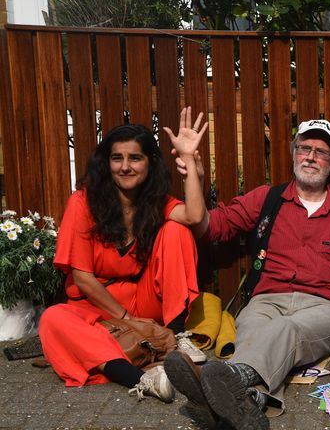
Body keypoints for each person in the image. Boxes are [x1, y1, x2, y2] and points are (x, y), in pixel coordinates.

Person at [163, 118, 330, 430]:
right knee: (254, 329)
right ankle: (249, 401)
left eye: (321, 151)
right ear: (293, 153)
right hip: (266, 300)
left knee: (286, 329)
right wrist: (193, 167)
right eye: (304, 148)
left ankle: (223, 383)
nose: (311, 156)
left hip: (324, 310)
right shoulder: (267, 200)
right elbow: (208, 227)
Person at [38, 109, 209, 403]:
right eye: (117, 158)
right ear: (107, 163)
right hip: (95, 305)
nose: (125, 167)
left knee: (177, 231)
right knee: (53, 318)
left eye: (135, 158)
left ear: (149, 164)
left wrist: (192, 163)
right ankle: (145, 379)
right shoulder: (82, 202)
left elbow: (194, 216)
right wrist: (128, 320)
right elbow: (82, 277)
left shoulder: (155, 202)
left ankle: (177, 338)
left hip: (141, 299)